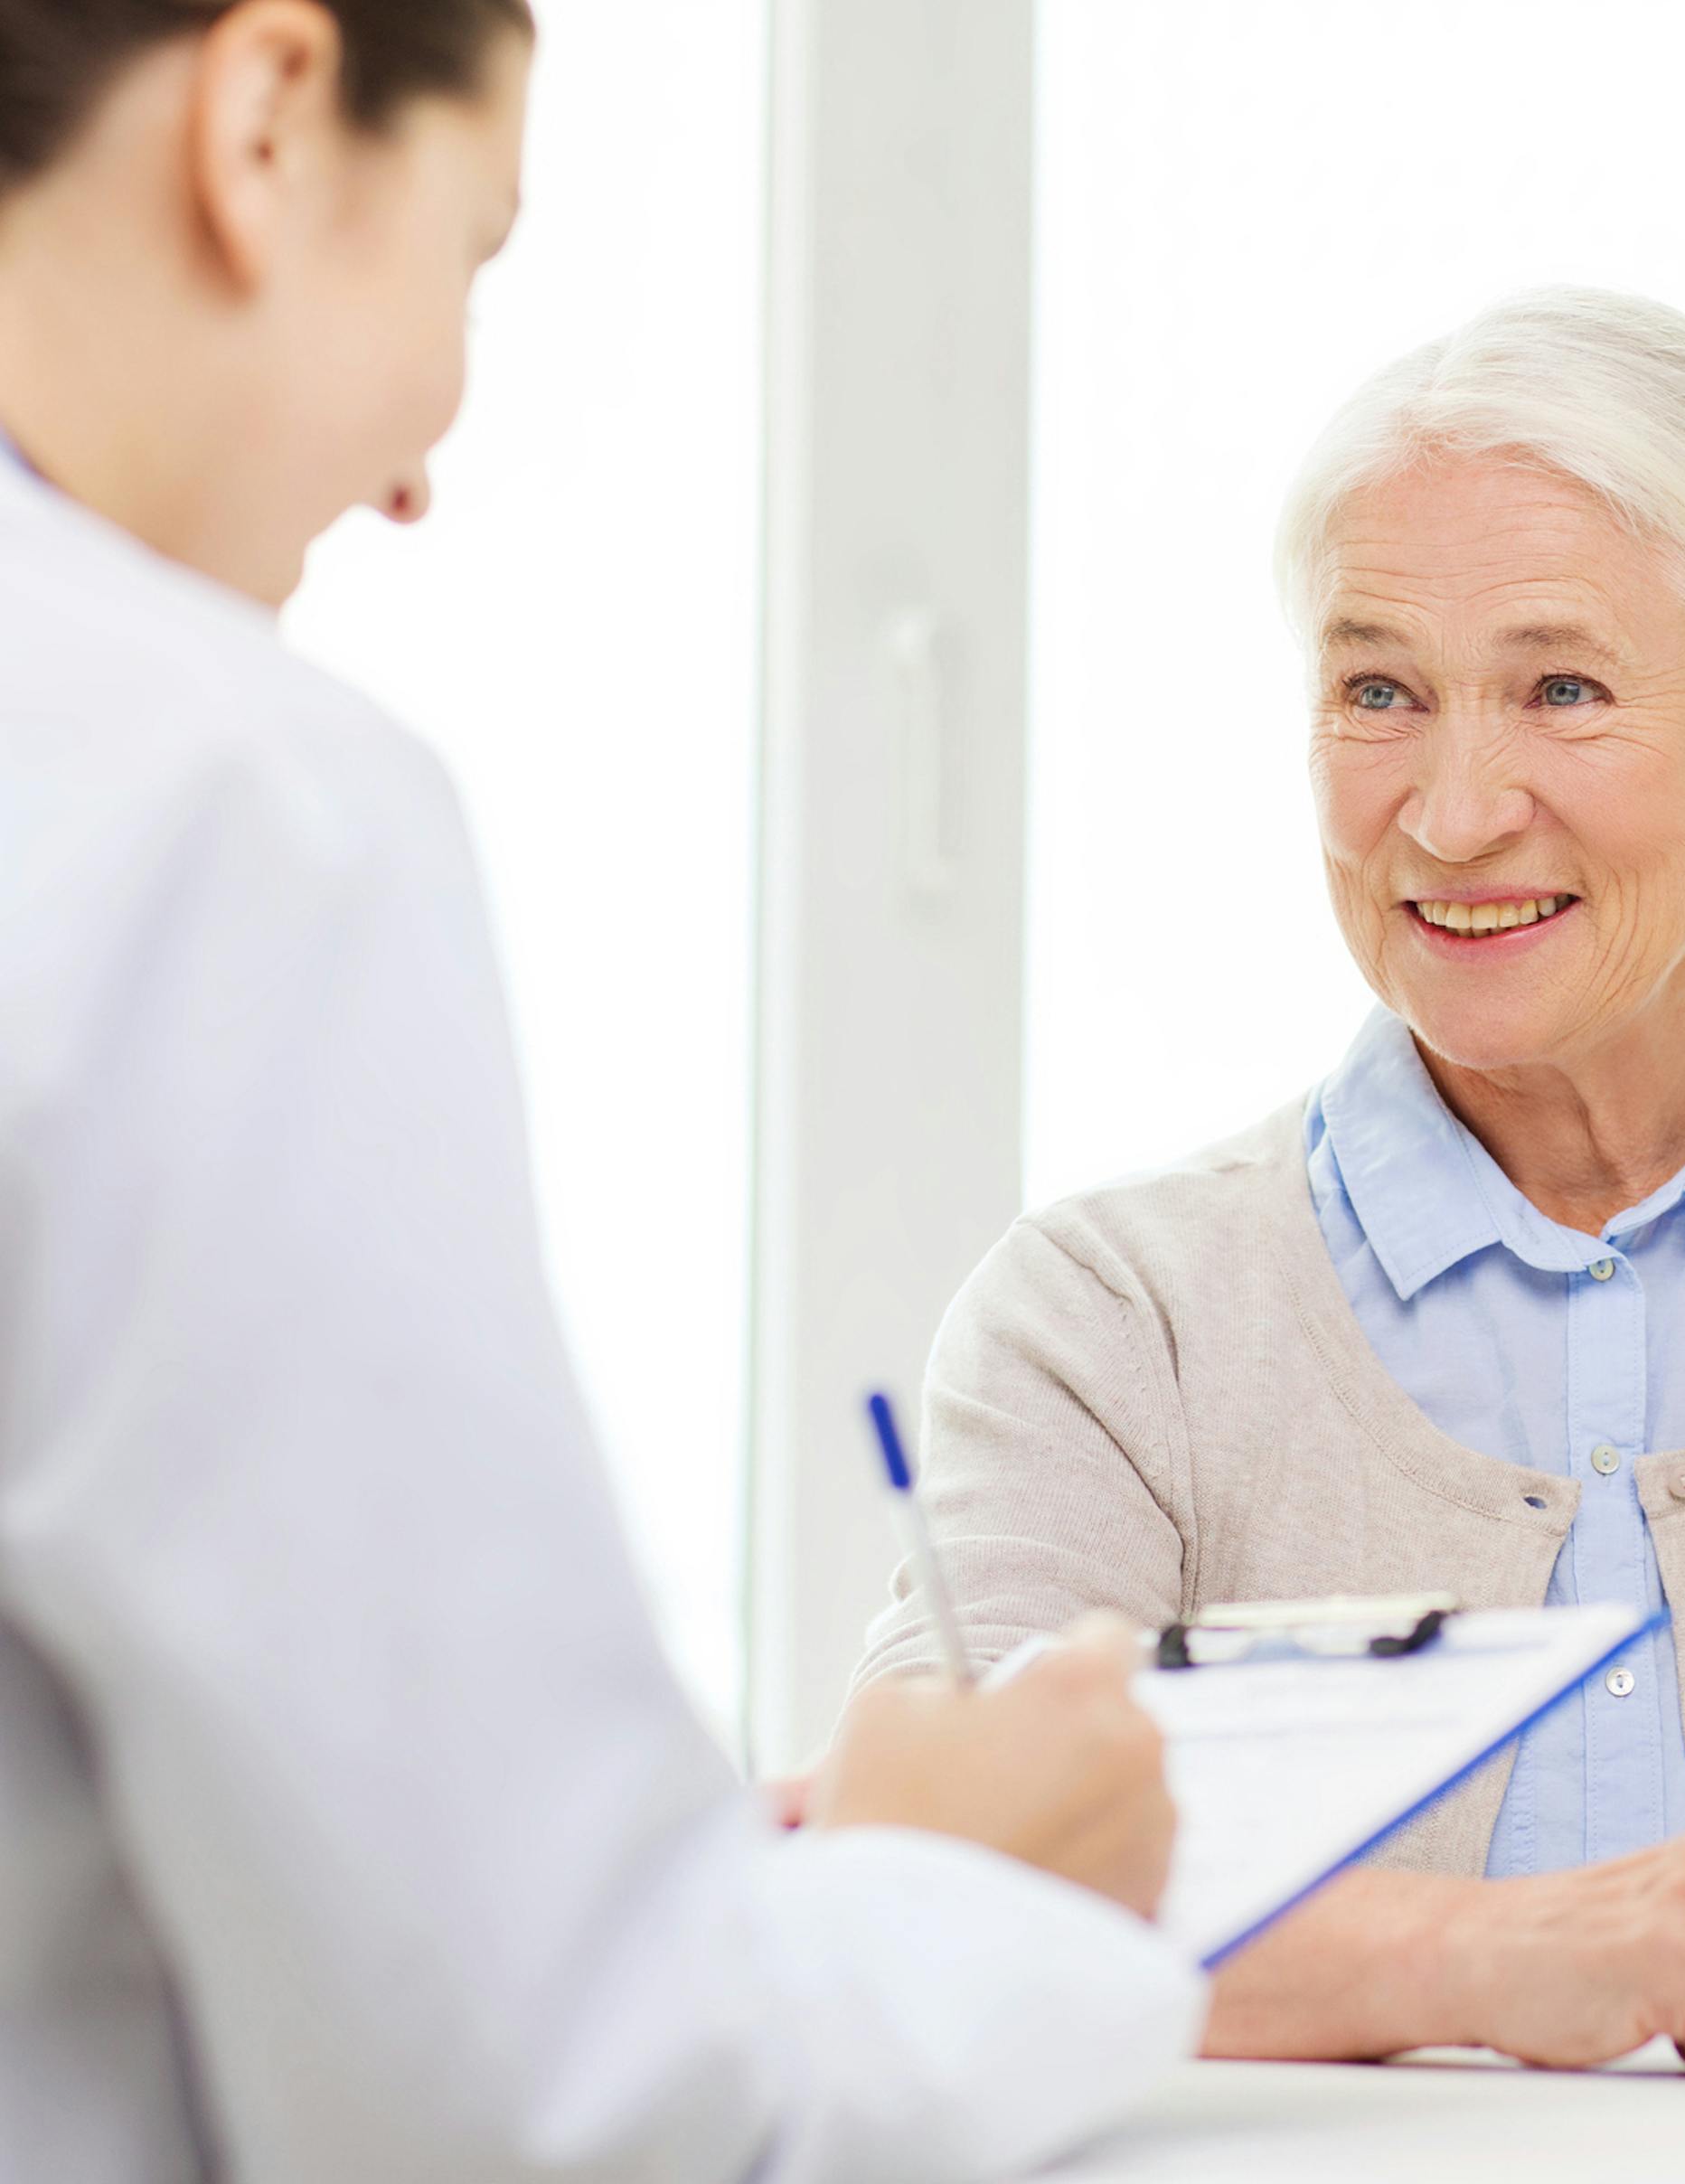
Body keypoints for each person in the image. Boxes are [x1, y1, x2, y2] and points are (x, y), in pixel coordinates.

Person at [0, 5, 1208, 2178]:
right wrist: (948, 1883)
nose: (420, 470)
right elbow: (541, 2099)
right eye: (471, 251)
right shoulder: (215, 806)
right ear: (268, 117)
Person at [853, 286, 1685, 2077]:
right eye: (1380, 691)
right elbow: (923, 1906)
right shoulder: (1113, 1325)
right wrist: (1501, 1952)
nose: (1450, 815)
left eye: (1563, 689)